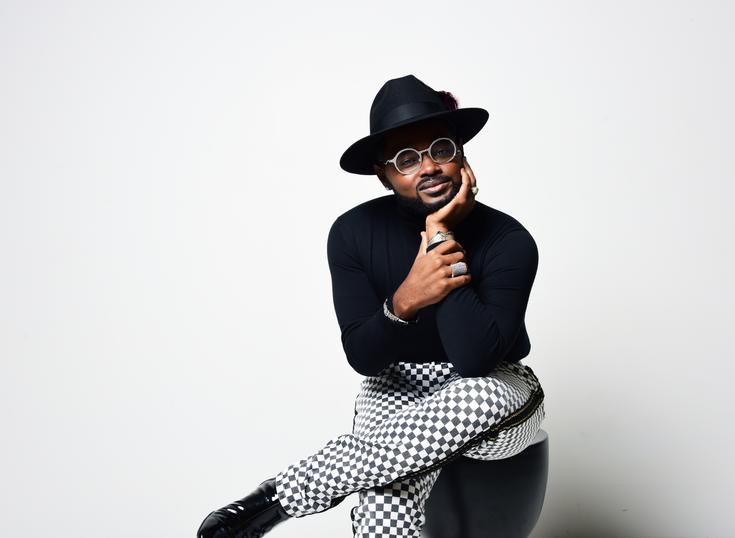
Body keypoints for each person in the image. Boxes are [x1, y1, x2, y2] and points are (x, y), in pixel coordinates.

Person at [197, 74, 545, 538]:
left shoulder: (510, 239)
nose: (429, 168)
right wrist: (405, 300)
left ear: (461, 153)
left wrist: (442, 241)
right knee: (384, 497)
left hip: (494, 390)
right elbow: (364, 357)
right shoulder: (352, 233)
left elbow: (476, 357)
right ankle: (289, 498)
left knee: (472, 394)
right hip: (397, 382)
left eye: (441, 149)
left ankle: (277, 498)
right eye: (406, 159)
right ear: (383, 174)